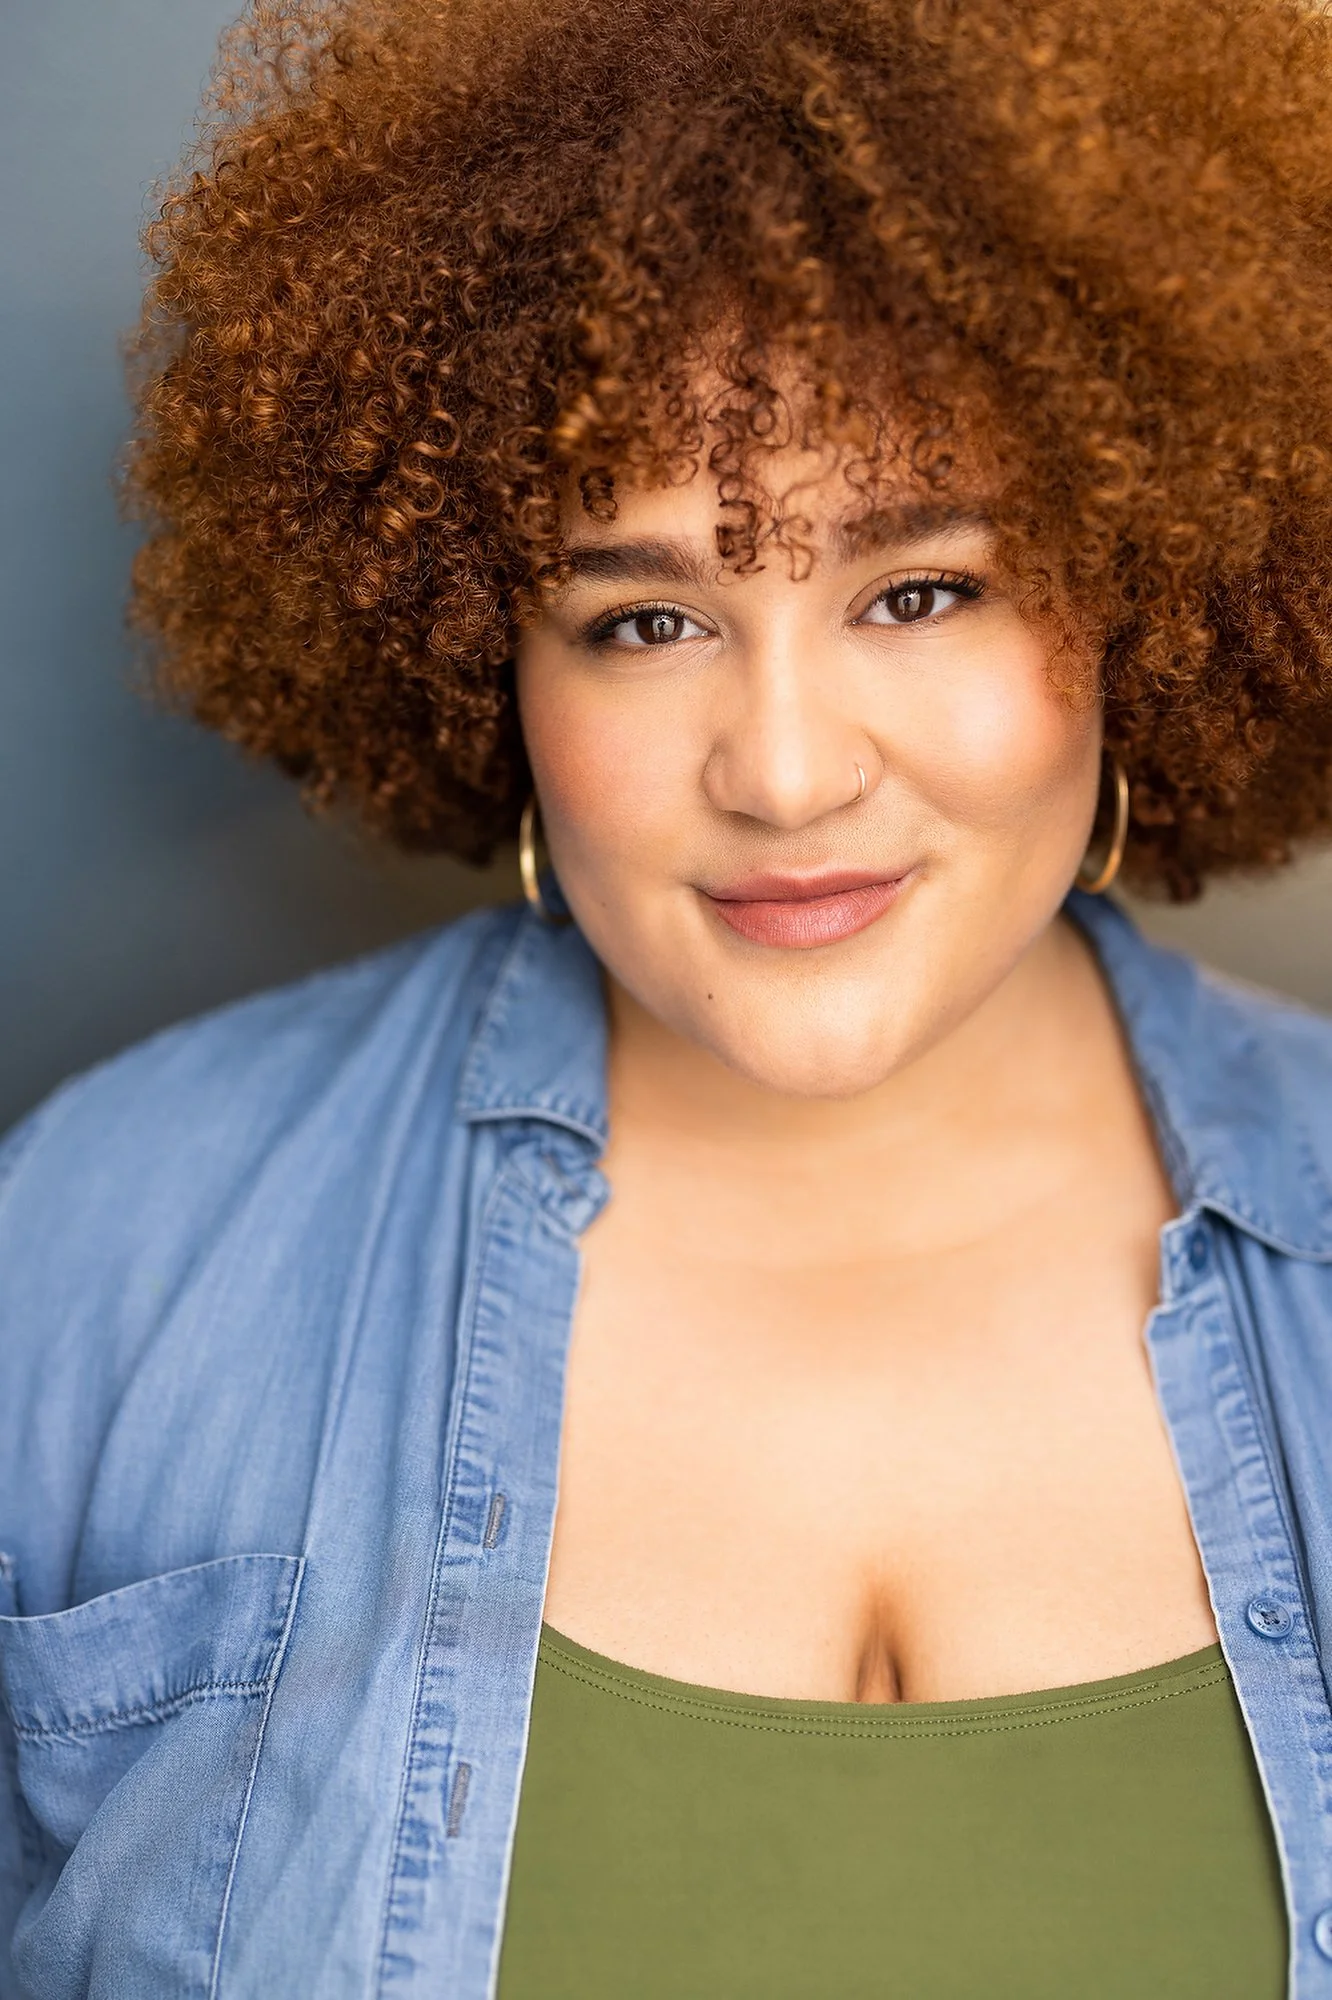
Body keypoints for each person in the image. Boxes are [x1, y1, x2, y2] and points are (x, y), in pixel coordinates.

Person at [4, 0, 1332, 1992]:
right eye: (644, 620)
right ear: (480, 656)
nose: (783, 773)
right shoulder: (100, 1248)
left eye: (920, 591)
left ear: (1165, 583)